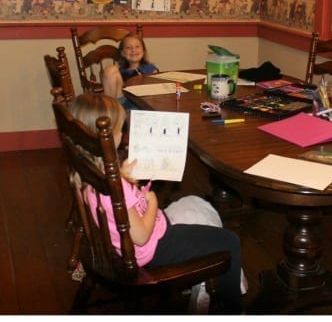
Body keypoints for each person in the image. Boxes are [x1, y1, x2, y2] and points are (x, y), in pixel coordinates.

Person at [69, 92, 243, 314]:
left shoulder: (85, 172)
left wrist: (122, 174)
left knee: (192, 215)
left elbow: (113, 202)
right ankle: (232, 311)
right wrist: (152, 203)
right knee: (230, 241)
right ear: (104, 136)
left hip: (124, 245)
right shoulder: (115, 187)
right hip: (152, 249)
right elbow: (140, 236)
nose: (122, 135)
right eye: (120, 130)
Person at [102, 32, 158, 110]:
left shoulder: (151, 68)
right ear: (122, 53)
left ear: (143, 50)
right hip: (124, 106)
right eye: (128, 47)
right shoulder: (118, 73)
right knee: (110, 70)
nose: (133, 50)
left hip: (145, 105)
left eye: (137, 46)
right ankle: (110, 113)